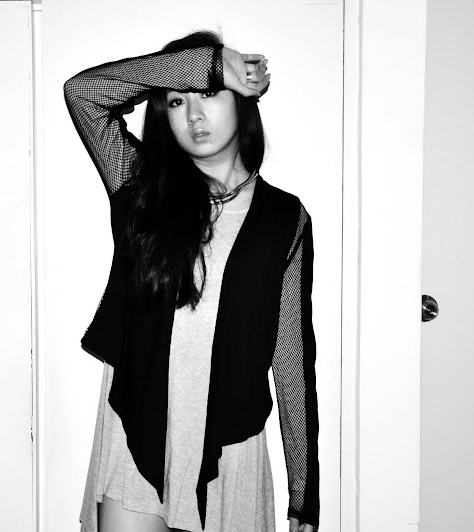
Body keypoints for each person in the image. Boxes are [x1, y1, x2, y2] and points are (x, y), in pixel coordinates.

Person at [64, 30, 318, 532]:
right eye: (177, 101)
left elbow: (290, 356)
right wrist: (207, 65)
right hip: (136, 435)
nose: (194, 114)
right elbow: (83, 93)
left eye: (209, 94)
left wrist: (303, 495)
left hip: (230, 451)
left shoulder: (285, 219)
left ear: (242, 100)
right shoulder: (139, 187)